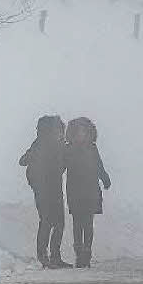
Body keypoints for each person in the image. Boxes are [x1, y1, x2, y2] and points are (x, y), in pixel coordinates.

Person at [19, 115, 70, 269]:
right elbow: (23, 161)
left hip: (55, 188)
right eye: (58, 129)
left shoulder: (61, 146)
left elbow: (66, 164)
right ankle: (43, 256)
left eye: (62, 130)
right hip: (42, 189)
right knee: (47, 221)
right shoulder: (39, 144)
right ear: (49, 130)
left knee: (59, 223)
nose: (61, 132)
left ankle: (55, 256)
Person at [64, 117, 111, 268]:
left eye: (83, 132)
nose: (81, 135)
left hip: (90, 190)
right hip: (75, 190)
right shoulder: (69, 149)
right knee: (78, 223)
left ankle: (87, 253)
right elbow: (60, 166)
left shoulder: (92, 148)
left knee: (88, 223)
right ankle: (79, 253)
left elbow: (99, 166)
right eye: (78, 132)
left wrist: (105, 179)